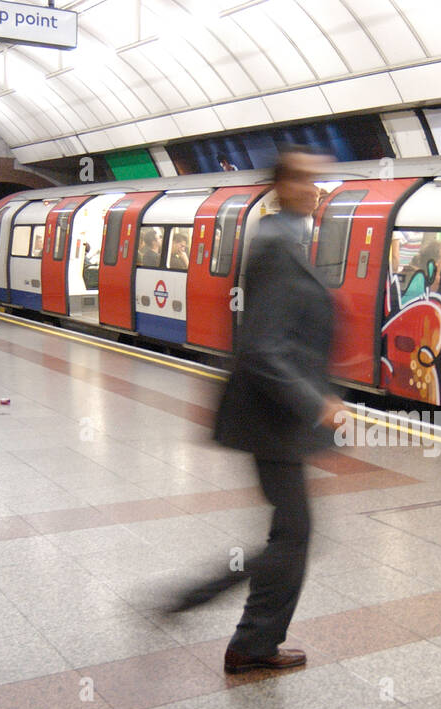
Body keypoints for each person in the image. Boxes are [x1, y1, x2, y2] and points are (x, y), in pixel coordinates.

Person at [164, 146, 342, 674]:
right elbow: (262, 348)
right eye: (304, 179)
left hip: (273, 417)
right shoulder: (275, 246)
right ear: (281, 186)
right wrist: (315, 403)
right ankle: (237, 630)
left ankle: (247, 636)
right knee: (294, 535)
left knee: (292, 533)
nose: (314, 189)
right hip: (272, 417)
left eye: (318, 180)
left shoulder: (283, 238)